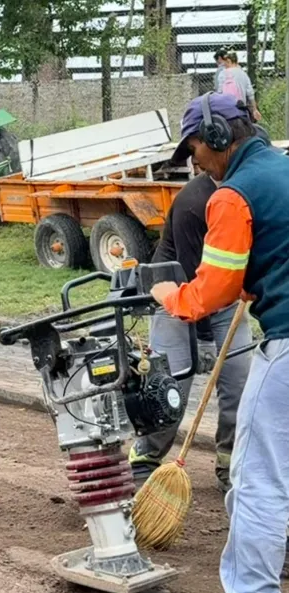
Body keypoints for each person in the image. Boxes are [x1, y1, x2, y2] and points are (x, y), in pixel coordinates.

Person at [151, 91, 289, 593]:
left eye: (194, 152)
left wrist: (172, 296)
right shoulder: (283, 171)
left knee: (256, 482)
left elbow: (214, 290)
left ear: (217, 138)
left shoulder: (232, 195)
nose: (195, 164)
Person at [128, 171, 253, 493]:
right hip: (173, 297)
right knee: (168, 393)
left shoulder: (251, 194)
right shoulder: (192, 204)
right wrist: (204, 338)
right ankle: (145, 458)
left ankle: (230, 465)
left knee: (241, 390)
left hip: (226, 303)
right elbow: (193, 281)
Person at [216, 51, 261, 121]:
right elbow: (250, 94)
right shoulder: (244, 74)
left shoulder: (222, 74)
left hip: (226, 110)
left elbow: (219, 92)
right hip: (241, 108)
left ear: (229, 61)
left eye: (225, 62)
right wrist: (255, 110)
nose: (224, 65)